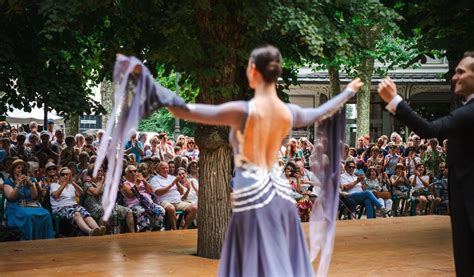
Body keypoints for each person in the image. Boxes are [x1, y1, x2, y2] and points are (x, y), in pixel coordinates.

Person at [99, 46, 362, 276]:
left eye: (248, 66)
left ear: (255, 71)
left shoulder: (244, 111)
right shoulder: (289, 111)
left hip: (253, 195)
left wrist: (147, 79)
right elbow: (321, 111)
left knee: (251, 265)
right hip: (281, 193)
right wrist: (347, 92)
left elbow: (185, 110)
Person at [377, 51, 474, 275]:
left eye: (461, 72)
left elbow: (429, 130)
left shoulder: (469, 112)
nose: (454, 77)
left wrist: (394, 100)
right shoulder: (465, 108)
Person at [3, 159, 54, 240]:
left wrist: (30, 185)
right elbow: (10, 197)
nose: (21, 170)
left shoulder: (31, 179)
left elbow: (34, 196)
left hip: (30, 204)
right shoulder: (8, 182)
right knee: (28, 215)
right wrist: (18, 184)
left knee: (46, 214)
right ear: (13, 170)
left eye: (22, 168)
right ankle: (28, 240)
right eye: (18, 168)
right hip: (15, 206)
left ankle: (45, 240)